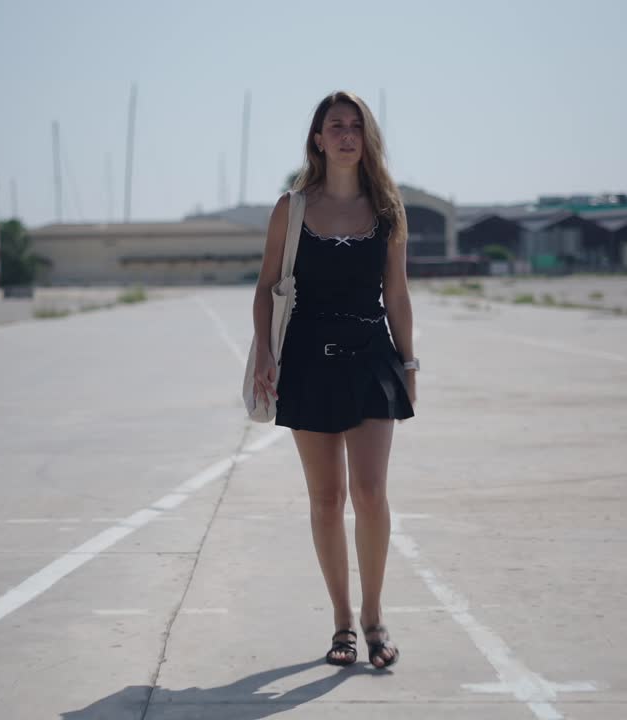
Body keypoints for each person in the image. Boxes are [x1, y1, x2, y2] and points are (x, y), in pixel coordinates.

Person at [251, 90, 418, 669]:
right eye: (334, 125)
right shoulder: (291, 208)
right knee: (327, 499)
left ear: (365, 138)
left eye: (355, 125)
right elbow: (266, 285)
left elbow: (396, 293)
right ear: (318, 139)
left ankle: (375, 618)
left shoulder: (388, 208)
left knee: (370, 495)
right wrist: (263, 358)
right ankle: (342, 624)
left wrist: (410, 361)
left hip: (372, 356)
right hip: (306, 360)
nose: (346, 134)